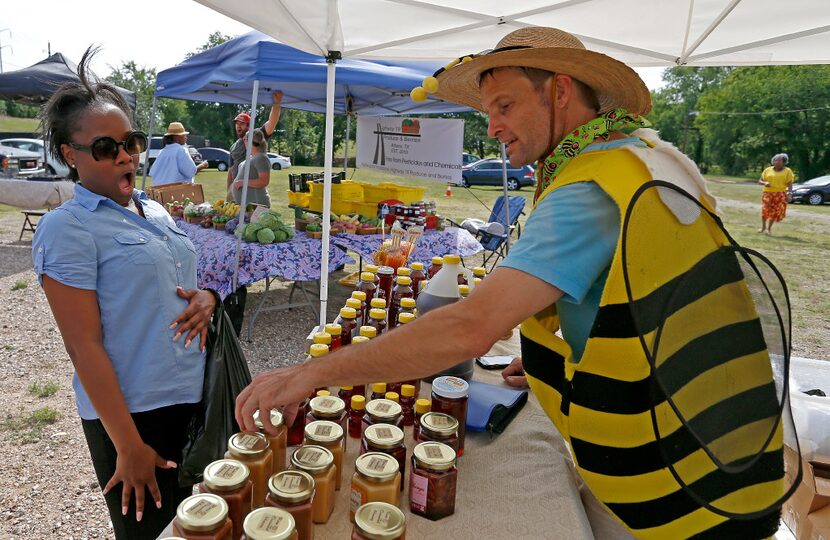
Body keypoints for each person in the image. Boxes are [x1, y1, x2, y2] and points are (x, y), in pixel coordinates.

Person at [235, 28, 785, 539]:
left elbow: (470, 329)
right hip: (731, 445)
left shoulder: (588, 189)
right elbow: (647, 300)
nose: (493, 126)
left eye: (506, 105)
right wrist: (575, 355)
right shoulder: (647, 160)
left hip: (672, 485)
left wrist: (312, 374)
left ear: (561, 92)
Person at [32, 47, 217, 539]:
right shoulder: (66, 229)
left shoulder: (152, 209)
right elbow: (82, 346)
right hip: (135, 415)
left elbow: (181, 284)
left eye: (131, 141)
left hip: (195, 398)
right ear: (70, 155)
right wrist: (128, 446)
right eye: (105, 147)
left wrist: (207, 299)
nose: (126, 156)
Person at [227, 91, 283, 196]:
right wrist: (229, 192)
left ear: (249, 126)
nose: (238, 126)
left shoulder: (256, 136)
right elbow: (231, 170)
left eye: (242, 124)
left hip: (253, 190)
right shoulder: (233, 146)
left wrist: (276, 104)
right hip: (238, 190)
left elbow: (271, 123)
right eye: (237, 124)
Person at [230, 129, 272, 207]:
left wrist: (242, 182)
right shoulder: (251, 158)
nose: (244, 141)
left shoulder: (261, 157)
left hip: (257, 206)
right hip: (247, 206)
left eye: (245, 139)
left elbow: (264, 181)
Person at [758, 152, 794, 235]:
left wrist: (790, 193)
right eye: (775, 160)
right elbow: (760, 180)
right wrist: (765, 183)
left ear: (784, 162)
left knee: (775, 212)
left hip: (779, 194)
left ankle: (769, 229)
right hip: (768, 193)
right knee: (765, 210)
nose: (776, 162)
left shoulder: (787, 171)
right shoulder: (768, 169)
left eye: (779, 160)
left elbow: (789, 184)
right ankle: (763, 227)